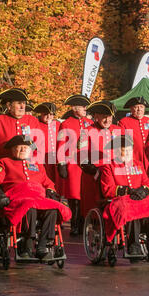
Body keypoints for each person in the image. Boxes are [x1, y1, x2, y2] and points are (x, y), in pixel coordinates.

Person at [0, 135, 71, 260]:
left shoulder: (36, 164)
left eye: (26, 148)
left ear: (30, 150)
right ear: (12, 150)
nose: (23, 150)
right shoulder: (4, 162)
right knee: (29, 206)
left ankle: (43, 246)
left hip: (38, 197)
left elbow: (47, 182)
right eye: (19, 148)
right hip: (17, 198)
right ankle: (27, 245)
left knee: (53, 208)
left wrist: (51, 191)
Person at [100, 135, 149, 259]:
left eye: (129, 150)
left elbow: (148, 182)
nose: (128, 153)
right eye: (124, 151)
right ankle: (134, 247)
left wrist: (144, 190)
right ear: (117, 151)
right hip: (122, 201)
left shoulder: (138, 164)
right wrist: (127, 190)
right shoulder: (109, 167)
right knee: (130, 210)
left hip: (140, 200)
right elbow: (108, 189)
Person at [79, 101, 122, 224]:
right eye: (104, 116)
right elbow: (81, 153)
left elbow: (128, 152)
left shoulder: (119, 130)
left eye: (109, 116)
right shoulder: (86, 131)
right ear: (96, 116)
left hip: (115, 175)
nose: (107, 119)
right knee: (96, 207)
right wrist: (88, 166)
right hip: (95, 174)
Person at [56, 94, 94, 235]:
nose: (85, 109)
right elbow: (60, 145)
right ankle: (75, 224)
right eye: (83, 107)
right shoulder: (65, 124)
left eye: (86, 107)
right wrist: (61, 163)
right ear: (75, 108)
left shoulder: (89, 123)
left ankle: (84, 223)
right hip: (73, 164)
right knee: (74, 196)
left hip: (86, 162)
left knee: (85, 195)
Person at [0, 88, 41, 172]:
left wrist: (35, 161)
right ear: (9, 106)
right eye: (19, 103)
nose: (22, 106)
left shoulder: (32, 120)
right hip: (5, 168)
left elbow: (36, 145)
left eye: (24, 103)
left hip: (28, 167)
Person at [118, 97, 149, 170]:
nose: (139, 109)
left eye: (141, 107)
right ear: (131, 109)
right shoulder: (123, 122)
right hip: (134, 158)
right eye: (136, 107)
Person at [34, 102, 61, 185]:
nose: (49, 117)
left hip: (55, 158)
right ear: (41, 114)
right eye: (46, 114)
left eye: (51, 114)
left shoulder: (57, 124)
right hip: (42, 159)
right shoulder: (36, 124)